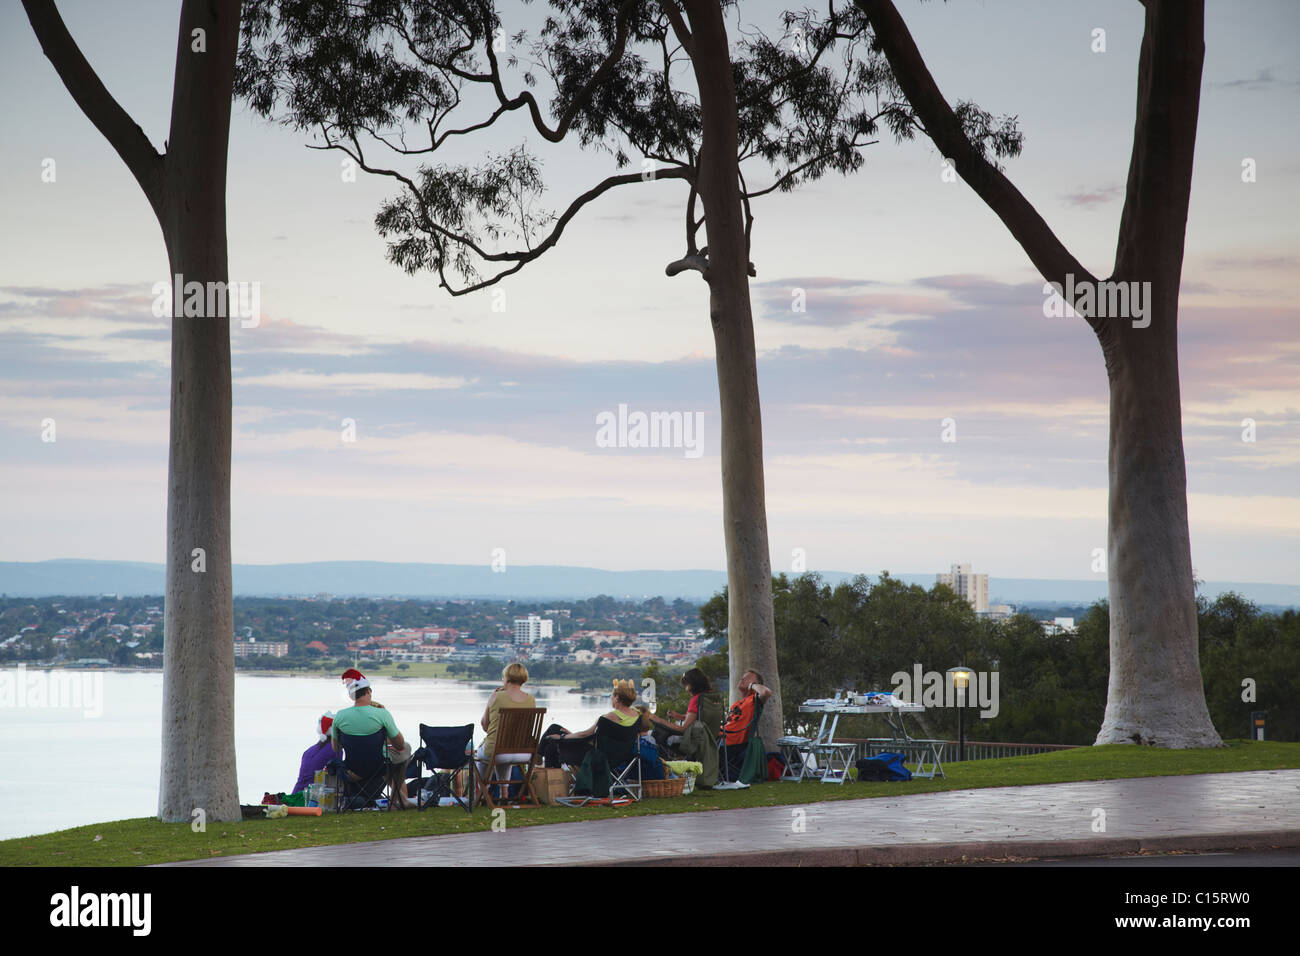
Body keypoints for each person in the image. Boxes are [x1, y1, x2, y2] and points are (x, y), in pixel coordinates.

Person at [331, 676, 415, 808]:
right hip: (378, 767)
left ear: (351, 696)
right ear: (369, 691)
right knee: (406, 750)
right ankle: (394, 800)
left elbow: (336, 749)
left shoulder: (339, 716)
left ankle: (401, 799)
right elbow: (399, 745)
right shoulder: (382, 714)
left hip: (352, 769)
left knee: (393, 757)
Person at [474, 662, 538, 792]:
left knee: (480, 757)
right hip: (524, 753)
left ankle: (482, 792)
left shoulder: (496, 696)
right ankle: (504, 794)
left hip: (498, 753)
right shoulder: (531, 699)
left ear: (507, 678)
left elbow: (485, 726)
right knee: (504, 751)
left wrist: (490, 702)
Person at [720, 669, 772, 782]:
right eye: (743, 677)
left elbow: (766, 692)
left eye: (748, 678)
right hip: (722, 735)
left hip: (734, 742)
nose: (743, 679)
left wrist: (753, 685)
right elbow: (730, 723)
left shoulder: (754, 700)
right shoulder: (736, 704)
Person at [291, 712, 339, 794]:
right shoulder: (335, 749)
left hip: (296, 794)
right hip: (313, 797)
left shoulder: (309, 751)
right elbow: (338, 775)